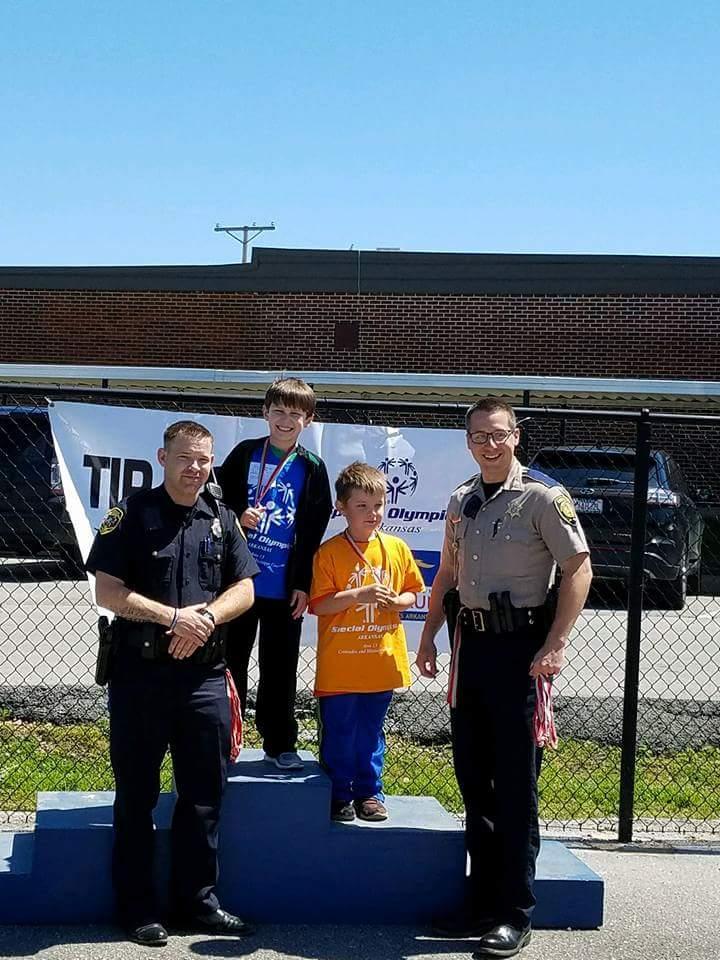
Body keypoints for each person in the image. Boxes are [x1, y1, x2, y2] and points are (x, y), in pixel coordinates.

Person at [416, 398, 592, 959]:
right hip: (472, 649)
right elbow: (446, 571)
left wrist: (556, 644)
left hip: (522, 651)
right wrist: (427, 635)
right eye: (477, 436)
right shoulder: (461, 499)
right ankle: (481, 904)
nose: (488, 445)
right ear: (467, 440)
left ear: (515, 436)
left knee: (515, 786)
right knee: (474, 780)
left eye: (497, 435)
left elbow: (578, 568)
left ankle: (514, 912)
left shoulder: (542, 496)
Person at [85, 420, 259, 947]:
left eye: (204, 460)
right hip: (142, 678)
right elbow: (108, 591)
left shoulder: (221, 518)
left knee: (204, 796)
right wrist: (171, 618)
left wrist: (203, 617)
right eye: (185, 458)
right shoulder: (132, 515)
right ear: (162, 457)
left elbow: (246, 587)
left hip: (204, 678)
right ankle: (138, 908)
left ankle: (198, 902)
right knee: (136, 795)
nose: (195, 468)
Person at [218, 377, 332, 770]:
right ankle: (223, 738)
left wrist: (303, 583)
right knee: (229, 660)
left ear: (309, 420)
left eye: (295, 414)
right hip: (238, 585)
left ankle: (279, 742)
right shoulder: (244, 454)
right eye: (279, 411)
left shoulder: (312, 468)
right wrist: (236, 515)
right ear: (265, 413)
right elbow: (213, 502)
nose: (285, 420)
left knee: (280, 666)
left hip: (284, 586)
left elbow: (314, 531)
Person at [309, 462, 425, 822]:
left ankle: (369, 793)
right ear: (341, 508)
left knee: (372, 733)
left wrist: (398, 602)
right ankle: (339, 792)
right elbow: (320, 605)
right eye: (361, 506)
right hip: (341, 664)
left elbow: (412, 592)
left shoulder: (396, 547)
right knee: (340, 732)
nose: (372, 514)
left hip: (380, 661)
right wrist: (357, 594)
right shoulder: (328, 553)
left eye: (378, 505)